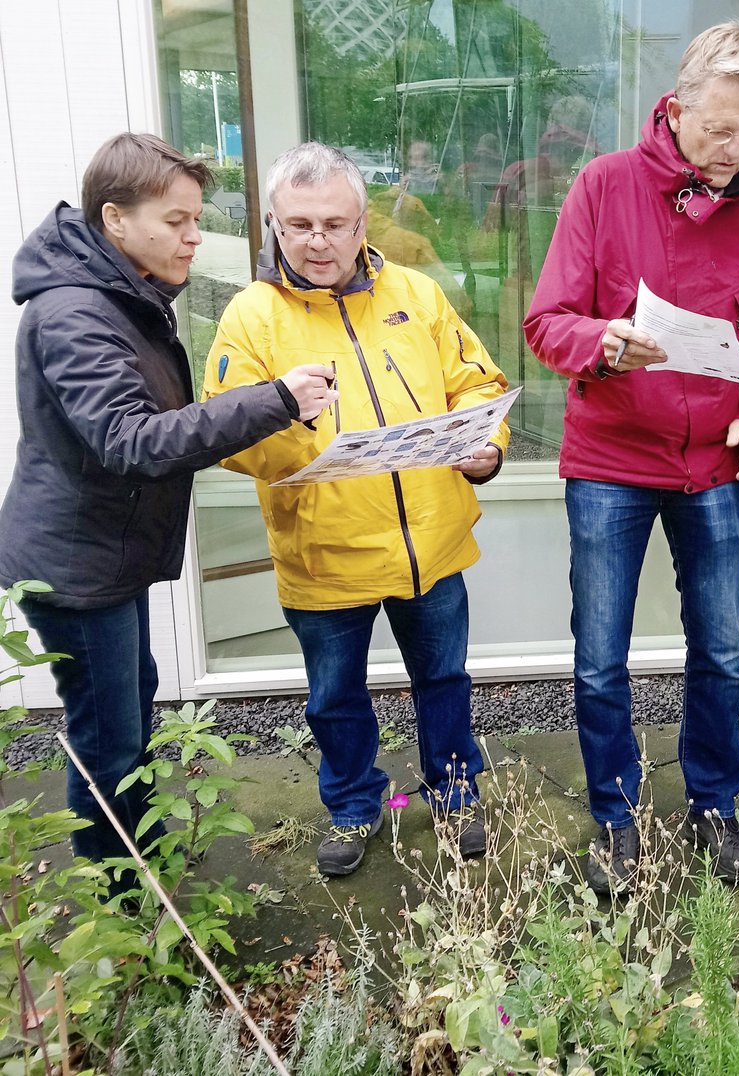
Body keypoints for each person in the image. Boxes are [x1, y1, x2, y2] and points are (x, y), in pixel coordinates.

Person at [0, 132, 334, 867]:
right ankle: (118, 897)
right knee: (109, 739)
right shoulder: (75, 314)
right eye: (176, 220)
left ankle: (139, 860)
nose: (194, 237)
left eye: (196, 219)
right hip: (77, 567)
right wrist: (275, 399)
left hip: (104, 555)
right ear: (115, 219)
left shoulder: (119, 293)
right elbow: (133, 440)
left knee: (130, 705)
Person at [523, 22, 739, 893]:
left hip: (714, 464)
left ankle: (715, 807)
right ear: (676, 111)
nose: (732, 149)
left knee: (719, 651)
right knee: (601, 656)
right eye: (717, 128)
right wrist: (604, 343)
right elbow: (546, 322)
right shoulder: (604, 185)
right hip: (611, 459)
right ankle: (615, 819)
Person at [203, 142, 509, 877]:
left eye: (335, 224)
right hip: (325, 551)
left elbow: (477, 382)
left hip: (428, 542)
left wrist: (487, 448)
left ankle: (454, 792)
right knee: (335, 696)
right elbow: (225, 435)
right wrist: (289, 414)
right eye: (299, 225)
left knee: (445, 681)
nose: (318, 242)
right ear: (274, 225)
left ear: (363, 222)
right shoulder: (251, 317)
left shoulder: (417, 293)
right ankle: (352, 804)